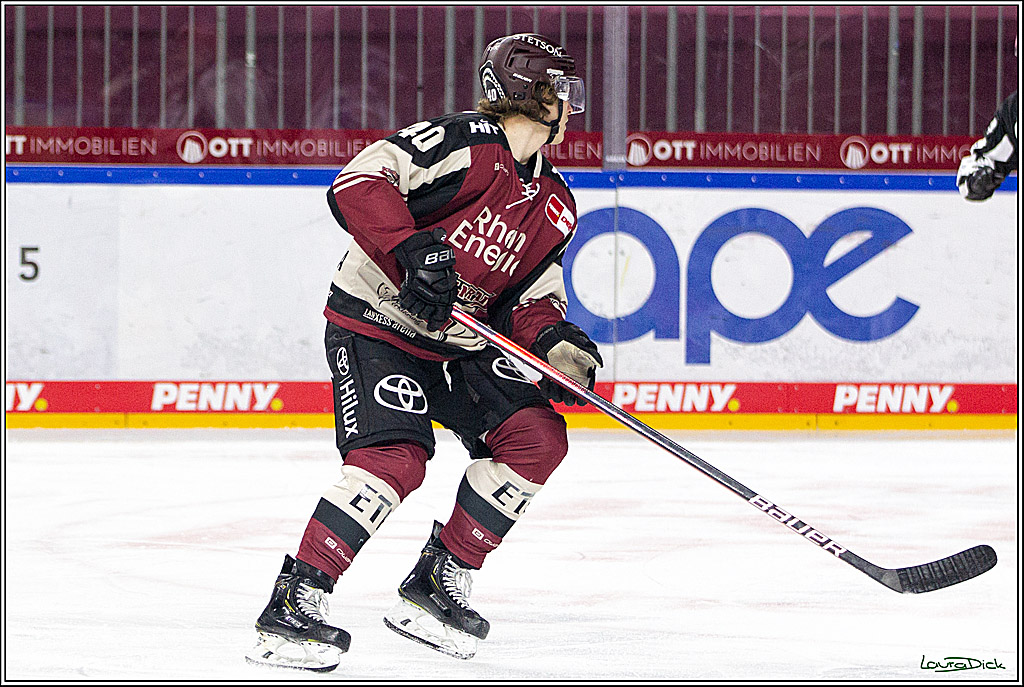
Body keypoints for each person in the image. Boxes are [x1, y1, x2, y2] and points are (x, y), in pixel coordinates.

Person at [246, 33, 602, 672]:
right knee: (396, 460)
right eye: (558, 88)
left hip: (458, 346)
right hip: (377, 325)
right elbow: (359, 180)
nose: (570, 104)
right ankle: (297, 599)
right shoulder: (463, 144)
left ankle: (440, 581)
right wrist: (409, 249)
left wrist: (556, 347)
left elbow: (530, 299)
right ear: (524, 91)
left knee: (536, 438)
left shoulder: (556, 203)